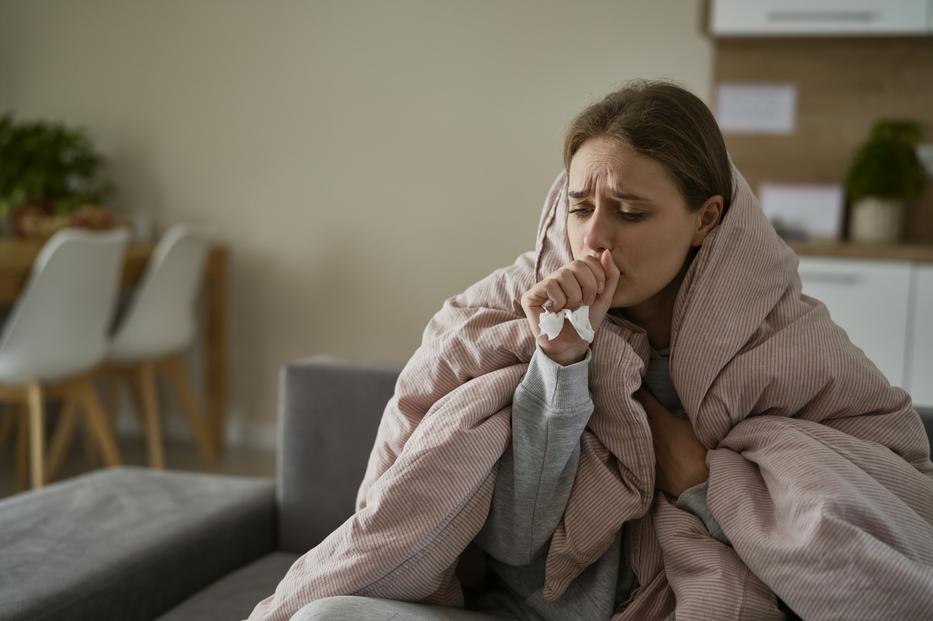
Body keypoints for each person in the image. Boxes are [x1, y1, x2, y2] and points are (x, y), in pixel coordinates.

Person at [252, 81, 933, 621]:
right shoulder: (514, 311)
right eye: (579, 207)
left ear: (705, 219)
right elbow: (516, 542)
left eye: (629, 212)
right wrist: (562, 365)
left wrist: (701, 484)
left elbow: (861, 528)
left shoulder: (785, 339)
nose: (594, 239)